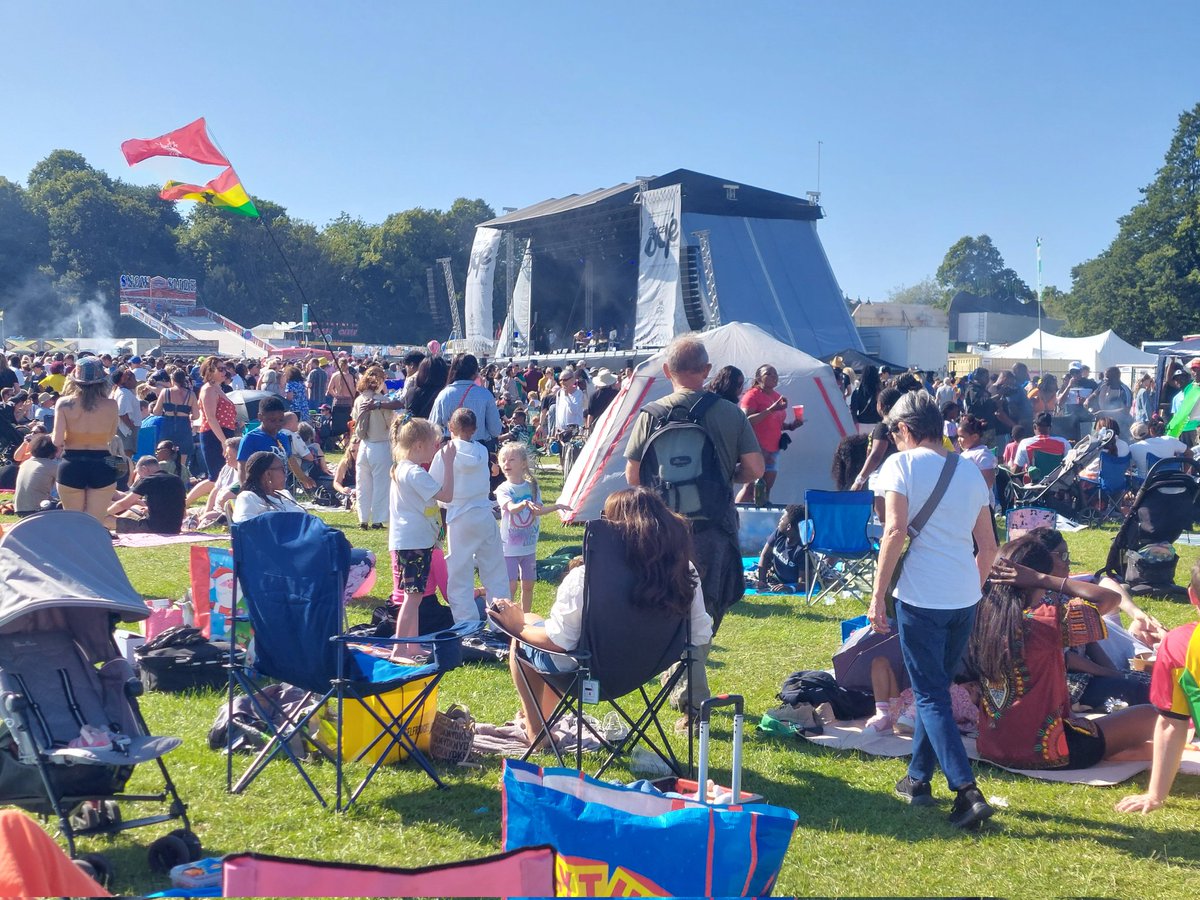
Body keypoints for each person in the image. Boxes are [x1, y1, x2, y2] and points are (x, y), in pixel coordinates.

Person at [489, 487, 713, 746]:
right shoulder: (684, 572)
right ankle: (547, 719)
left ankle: (537, 731)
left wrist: (516, 626)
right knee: (532, 617)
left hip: (591, 673)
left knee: (522, 640)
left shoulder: (585, 578)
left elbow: (558, 643)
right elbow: (699, 635)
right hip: (645, 668)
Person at [867, 389, 998, 829]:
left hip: (922, 598)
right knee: (934, 690)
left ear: (903, 429)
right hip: (964, 596)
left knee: (930, 694)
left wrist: (876, 595)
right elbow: (990, 546)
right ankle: (917, 778)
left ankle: (966, 790)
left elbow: (894, 531)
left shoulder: (899, 465)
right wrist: (972, 589)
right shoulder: (969, 469)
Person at [624, 336, 763, 726]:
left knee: (673, 606)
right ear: (706, 371)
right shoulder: (730, 413)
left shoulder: (650, 414)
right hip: (713, 529)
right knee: (706, 613)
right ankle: (691, 702)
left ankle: (681, 683)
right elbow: (754, 468)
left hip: (664, 530)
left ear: (667, 372)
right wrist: (725, 475)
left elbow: (634, 476)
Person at [972, 536, 1157, 774]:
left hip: (991, 746)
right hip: (1049, 751)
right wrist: (1044, 579)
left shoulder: (981, 615)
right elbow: (1111, 599)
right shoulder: (1045, 620)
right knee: (1151, 714)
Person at [233, 450, 377, 599]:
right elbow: (245, 533)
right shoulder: (249, 498)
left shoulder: (285, 495)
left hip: (308, 555)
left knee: (364, 556)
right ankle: (326, 601)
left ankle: (326, 599)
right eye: (282, 469)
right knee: (359, 559)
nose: (285, 473)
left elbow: (310, 524)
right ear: (267, 474)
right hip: (281, 564)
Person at [1115, 561, 1200, 814]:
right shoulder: (1177, 645)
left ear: (1191, 596)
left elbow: (1172, 722)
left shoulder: (1178, 646)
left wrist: (1155, 795)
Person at [430, 409, 510, 622]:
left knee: (459, 574)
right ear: (474, 429)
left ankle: (466, 623)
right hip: (484, 512)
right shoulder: (482, 451)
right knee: (495, 570)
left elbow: (433, 486)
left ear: (450, 427)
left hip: (459, 515)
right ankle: (501, 621)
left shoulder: (446, 452)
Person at [388, 417, 456, 661]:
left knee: (413, 596)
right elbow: (446, 494)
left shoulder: (402, 468)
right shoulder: (415, 473)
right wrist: (448, 463)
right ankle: (399, 647)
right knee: (413, 597)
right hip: (414, 542)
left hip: (412, 540)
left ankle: (412, 644)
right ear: (418, 445)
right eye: (432, 444)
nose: (435, 449)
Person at [496, 441, 568, 612]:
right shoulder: (503, 489)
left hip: (529, 547)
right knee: (510, 586)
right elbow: (511, 508)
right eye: (503, 460)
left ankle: (525, 616)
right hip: (509, 549)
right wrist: (524, 504)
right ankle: (508, 618)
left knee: (528, 585)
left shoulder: (532, 486)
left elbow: (538, 511)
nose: (506, 464)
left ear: (523, 464)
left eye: (511, 460)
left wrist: (557, 506)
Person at [51, 358, 119, 523]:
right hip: (102, 463)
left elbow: (57, 440)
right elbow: (110, 437)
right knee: (94, 522)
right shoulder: (111, 405)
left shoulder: (64, 404)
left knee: (73, 522)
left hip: (71, 463)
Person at [736, 365, 803, 504]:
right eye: (769, 374)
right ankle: (737, 514)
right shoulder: (752, 395)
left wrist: (790, 426)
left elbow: (775, 423)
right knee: (750, 488)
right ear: (759, 378)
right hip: (756, 448)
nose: (774, 376)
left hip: (773, 448)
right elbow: (746, 421)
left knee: (765, 489)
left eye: (775, 373)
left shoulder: (777, 397)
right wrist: (772, 409)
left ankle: (761, 520)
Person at [236, 395, 315, 492]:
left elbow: (290, 459)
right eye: (272, 420)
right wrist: (246, 491)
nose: (277, 423)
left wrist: (302, 477)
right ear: (260, 417)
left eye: (281, 420)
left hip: (280, 489)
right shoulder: (250, 438)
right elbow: (242, 467)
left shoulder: (283, 437)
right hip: (259, 490)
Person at [350, 369, 397, 530]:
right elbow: (391, 424)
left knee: (362, 484)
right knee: (381, 484)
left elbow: (355, 420)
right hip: (380, 445)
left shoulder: (358, 400)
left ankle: (362, 518)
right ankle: (377, 519)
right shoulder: (382, 401)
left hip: (364, 444)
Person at [430, 354, 503, 449]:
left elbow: (433, 427)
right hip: (479, 449)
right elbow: (495, 430)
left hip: (451, 448)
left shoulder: (444, 395)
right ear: (475, 372)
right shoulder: (485, 394)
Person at [106, 456, 187, 534]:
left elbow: (124, 504)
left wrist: (106, 513)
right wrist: (149, 509)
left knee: (105, 519)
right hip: (175, 528)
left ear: (144, 469)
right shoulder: (177, 480)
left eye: (139, 474)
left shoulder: (148, 480)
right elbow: (180, 508)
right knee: (136, 508)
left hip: (154, 528)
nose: (140, 478)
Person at [197, 357, 237, 482]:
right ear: (210, 371)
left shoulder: (217, 388)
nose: (224, 372)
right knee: (217, 477)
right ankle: (186, 501)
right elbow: (211, 418)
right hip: (214, 435)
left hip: (223, 433)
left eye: (225, 369)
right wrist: (224, 442)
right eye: (220, 369)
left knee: (221, 477)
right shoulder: (209, 389)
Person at [151, 369, 195, 478]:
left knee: (163, 453)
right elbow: (197, 415)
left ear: (172, 379)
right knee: (182, 459)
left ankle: (162, 477)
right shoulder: (191, 394)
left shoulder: (165, 392)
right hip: (184, 425)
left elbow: (156, 412)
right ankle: (180, 480)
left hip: (168, 424)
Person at [754, 504, 805, 589]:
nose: (780, 520)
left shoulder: (801, 551)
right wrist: (762, 580)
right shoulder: (779, 533)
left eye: (782, 519)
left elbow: (805, 583)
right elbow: (765, 555)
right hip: (775, 576)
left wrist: (790, 588)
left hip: (790, 582)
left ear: (788, 527)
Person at [13, 434, 60, 516]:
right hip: (37, 510)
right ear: (53, 450)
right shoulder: (52, 465)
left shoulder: (26, 463)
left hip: (19, 509)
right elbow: (66, 488)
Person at [110, 368, 141, 457]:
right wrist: (131, 427)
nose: (136, 381)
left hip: (125, 429)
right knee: (126, 456)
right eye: (133, 379)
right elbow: (122, 413)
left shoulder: (121, 391)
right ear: (126, 380)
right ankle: (125, 470)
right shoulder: (124, 393)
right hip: (126, 431)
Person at [327, 357, 358, 442]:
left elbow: (329, 389)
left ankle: (335, 441)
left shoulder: (335, 375)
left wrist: (336, 395)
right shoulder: (350, 377)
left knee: (336, 423)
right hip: (348, 402)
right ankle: (347, 442)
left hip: (338, 402)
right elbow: (353, 390)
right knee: (348, 424)